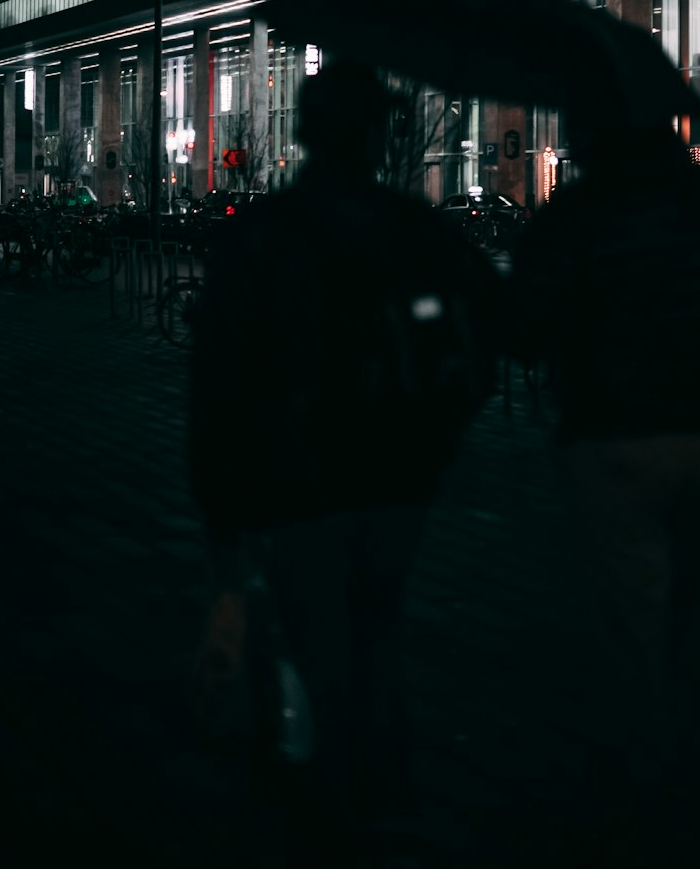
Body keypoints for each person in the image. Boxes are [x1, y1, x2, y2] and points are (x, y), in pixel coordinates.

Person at [188, 60, 500, 867]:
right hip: (397, 477)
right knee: (379, 635)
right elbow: (481, 341)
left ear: (302, 134)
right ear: (379, 135)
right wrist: (437, 442)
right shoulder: (418, 231)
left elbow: (219, 378)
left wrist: (223, 508)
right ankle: (386, 795)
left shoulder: (260, 236)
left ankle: (326, 804)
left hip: (296, 481)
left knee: (315, 641)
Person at [507, 115, 700, 867]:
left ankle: (636, 797)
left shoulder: (580, 214)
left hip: (615, 434)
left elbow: (520, 326)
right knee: (697, 605)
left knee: (627, 623)